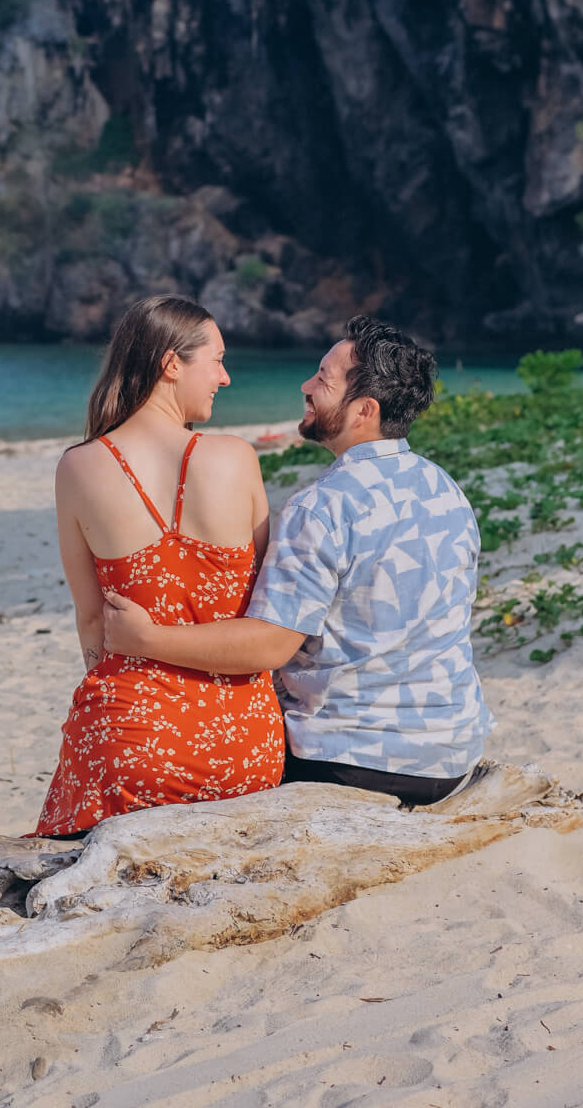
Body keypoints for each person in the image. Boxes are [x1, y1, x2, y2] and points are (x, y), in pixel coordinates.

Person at [104, 313, 492, 809]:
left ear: (364, 410)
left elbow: (268, 645)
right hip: (452, 756)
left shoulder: (322, 506)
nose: (306, 386)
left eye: (323, 380)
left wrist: (146, 639)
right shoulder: (446, 489)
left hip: (353, 758)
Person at [35, 295, 285, 836]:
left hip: (132, 740)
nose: (225, 377)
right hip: (243, 744)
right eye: (217, 361)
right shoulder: (236, 458)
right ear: (172, 364)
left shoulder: (78, 467)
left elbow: (92, 622)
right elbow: (266, 611)